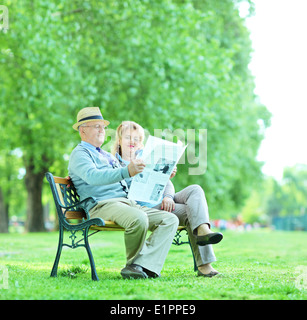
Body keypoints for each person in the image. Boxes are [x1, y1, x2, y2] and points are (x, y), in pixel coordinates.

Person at [68, 107, 179, 279]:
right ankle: (134, 266)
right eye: (96, 126)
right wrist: (127, 170)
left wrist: (162, 175)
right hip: (101, 205)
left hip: (126, 203)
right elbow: (93, 177)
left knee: (170, 219)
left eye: (103, 127)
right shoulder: (80, 154)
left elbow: (129, 179)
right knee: (139, 218)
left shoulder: (107, 155)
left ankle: (141, 265)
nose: (102, 130)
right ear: (83, 130)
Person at [112, 121, 223, 277]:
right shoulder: (114, 164)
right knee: (192, 213)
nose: (132, 142)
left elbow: (168, 184)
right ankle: (204, 266)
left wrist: (168, 192)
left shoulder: (146, 157)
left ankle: (203, 230)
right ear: (119, 140)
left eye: (137, 139)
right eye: (128, 137)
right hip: (144, 208)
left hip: (162, 202)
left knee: (195, 190)